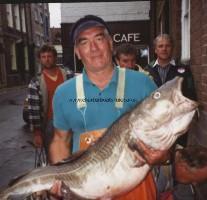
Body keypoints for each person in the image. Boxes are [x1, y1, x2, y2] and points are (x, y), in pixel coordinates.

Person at [49, 15, 171, 200]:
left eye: (99, 39)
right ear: (77, 52)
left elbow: (167, 134)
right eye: (84, 42)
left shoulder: (143, 83)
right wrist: (60, 176)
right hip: (86, 188)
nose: (93, 48)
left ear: (110, 43)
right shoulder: (63, 93)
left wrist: (163, 156)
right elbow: (60, 140)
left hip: (137, 188)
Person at [144, 34, 197, 200]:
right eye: (160, 46)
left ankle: (174, 192)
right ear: (155, 49)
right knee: (156, 159)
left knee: (176, 159)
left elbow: (191, 95)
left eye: (167, 45)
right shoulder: (146, 71)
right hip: (155, 125)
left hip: (177, 124)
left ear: (172, 48)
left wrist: (188, 119)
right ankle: (156, 191)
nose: (164, 49)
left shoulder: (182, 70)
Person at [27, 44, 74, 163]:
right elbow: (34, 109)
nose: (47, 59)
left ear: (55, 58)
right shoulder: (36, 82)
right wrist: (37, 133)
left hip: (71, 121)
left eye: (49, 56)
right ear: (40, 59)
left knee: (74, 155)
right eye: (43, 57)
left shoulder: (68, 74)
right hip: (50, 125)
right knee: (54, 159)